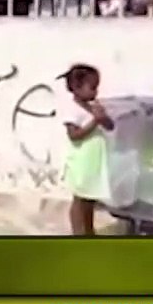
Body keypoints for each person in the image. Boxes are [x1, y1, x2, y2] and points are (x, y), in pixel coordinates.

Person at [58, 63, 114, 236]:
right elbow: (74, 135)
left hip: (93, 162)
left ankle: (89, 231)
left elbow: (110, 126)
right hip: (80, 161)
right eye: (92, 87)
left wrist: (103, 118)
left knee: (89, 198)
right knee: (79, 199)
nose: (95, 92)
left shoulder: (92, 107)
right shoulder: (71, 109)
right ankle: (78, 232)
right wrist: (94, 121)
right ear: (76, 88)